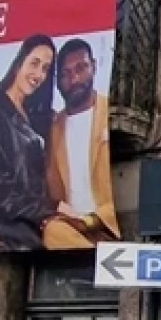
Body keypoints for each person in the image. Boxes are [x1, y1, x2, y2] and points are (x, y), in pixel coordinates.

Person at [0, 35, 95, 251]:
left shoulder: (39, 116)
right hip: (20, 238)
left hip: (48, 225)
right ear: (19, 62)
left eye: (46, 68)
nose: (39, 75)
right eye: (34, 63)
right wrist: (52, 208)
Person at [45, 37, 118, 239]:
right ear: (57, 81)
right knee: (52, 232)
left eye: (81, 68)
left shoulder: (112, 114)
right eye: (66, 74)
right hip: (70, 232)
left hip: (111, 227)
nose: (75, 79)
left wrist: (91, 221)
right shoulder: (52, 130)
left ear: (93, 66)